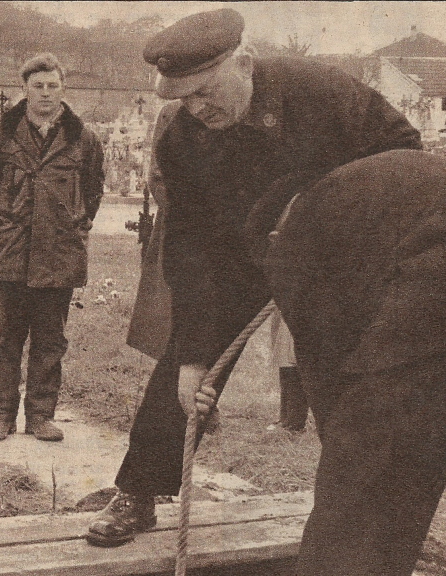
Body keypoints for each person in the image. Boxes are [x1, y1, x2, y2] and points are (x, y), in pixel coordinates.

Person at [86, 7, 422, 547]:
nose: (197, 109)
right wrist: (197, 357)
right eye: (184, 98)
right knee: (180, 371)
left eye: (206, 92)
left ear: (243, 64)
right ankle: (138, 491)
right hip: (237, 260)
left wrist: (328, 214)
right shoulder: (180, 137)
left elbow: (404, 155)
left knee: (345, 379)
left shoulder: (319, 90)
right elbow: (191, 246)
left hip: (329, 258)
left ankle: (352, 518)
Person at [223, 148, 446, 576]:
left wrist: (344, 438)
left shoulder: (296, 240)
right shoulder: (358, 189)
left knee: (370, 451)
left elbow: (323, 362)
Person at [0, 53, 105, 442]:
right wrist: (2, 224)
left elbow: (93, 190)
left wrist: (73, 225)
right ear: (25, 90)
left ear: (63, 89)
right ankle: (1, 414)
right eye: (38, 86)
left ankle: (41, 416)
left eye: (53, 86)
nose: (45, 94)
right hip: (11, 252)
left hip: (59, 255)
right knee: (4, 338)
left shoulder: (83, 138)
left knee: (50, 340)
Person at [268, 309, 309, 432]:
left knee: (294, 367)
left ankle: (294, 422)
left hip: (300, 314)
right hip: (286, 315)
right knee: (285, 363)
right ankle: (285, 418)